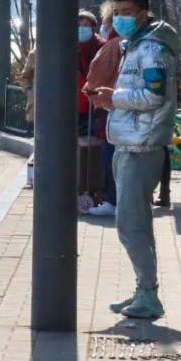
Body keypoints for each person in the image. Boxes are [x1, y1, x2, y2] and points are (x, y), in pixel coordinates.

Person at [89, 0, 178, 319]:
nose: (121, 18)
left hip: (142, 146)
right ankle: (144, 290)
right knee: (136, 222)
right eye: (117, 12)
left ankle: (148, 293)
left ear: (143, 13)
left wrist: (114, 97)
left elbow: (154, 97)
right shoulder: (135, 45)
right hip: (129, 142)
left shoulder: (152, 49)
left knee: (130, 223)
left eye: (127, 12)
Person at [84, 1, 121, 216]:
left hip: (111, 108)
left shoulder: (113, 45)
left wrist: (92, 92)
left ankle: (112, 200)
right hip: (128, 110)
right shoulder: (133, 44)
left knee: (111, 157)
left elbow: (94, 78)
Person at [76, 11, 105, 213]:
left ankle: (93, 192)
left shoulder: (102, 47)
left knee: (94, 149)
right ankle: (77, 191)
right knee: (78, 149)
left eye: (86, 25)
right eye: (79, 25)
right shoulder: (69, 46)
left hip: (95, 105)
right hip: (76, 104)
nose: (82, 29)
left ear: (94, 28)